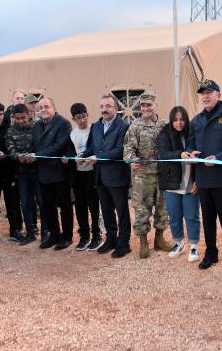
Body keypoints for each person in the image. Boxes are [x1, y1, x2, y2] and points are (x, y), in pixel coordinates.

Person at [182, 79, 222, 274]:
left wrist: (219, 158)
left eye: (209, 92)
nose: (205, 96)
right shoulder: (196, 121)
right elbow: (190, 145)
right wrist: (191, 153)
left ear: (218, 94)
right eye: (203, 93)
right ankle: (211, 253)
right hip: (203, 179)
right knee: (208, 219)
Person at [123, 90, 173, 258]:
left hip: (161, 175)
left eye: (149, 105)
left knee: (162, 208)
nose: (146, 108)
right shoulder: (135, 126)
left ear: (156, 105)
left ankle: (159, 239)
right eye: (143, 105)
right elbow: (127, 150)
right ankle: (144, 242)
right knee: (142, 210)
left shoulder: (165, 125)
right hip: (143, 176)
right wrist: (132, 160)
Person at [82, 95, 131, 257]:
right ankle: (111, 239)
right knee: (107, 210)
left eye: (108, 106)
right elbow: (91, 147)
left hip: (117, 177)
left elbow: (120, 150)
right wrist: (83, 154)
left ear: (116, 109)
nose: (104, 109)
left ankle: (124, 243)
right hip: (100, 177)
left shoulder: (123, 126)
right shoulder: (95, 126)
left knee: (121, 211)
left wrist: (97, 157)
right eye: (102, 106)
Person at [157, 106, 201, 262]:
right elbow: (163, 154)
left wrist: (198, 181)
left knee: (192, 216)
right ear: (171, 120)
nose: (179, 123)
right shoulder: (164, 133)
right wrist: (180, 154)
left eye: (182, 119)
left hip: (191, 181)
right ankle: (178, 243)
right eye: (175, 119)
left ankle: (194, 247)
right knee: (174, 216)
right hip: (171, 182)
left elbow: (199, 152)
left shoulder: (193, 132)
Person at [30, 98, 74, 250]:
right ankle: (54, 235)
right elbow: (33, 144)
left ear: (54, 108)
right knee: (47, 206)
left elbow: (59, 146)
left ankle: (67, 237)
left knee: (64, 205)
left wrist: (37, 155)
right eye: (40, 107)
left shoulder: (63, 123)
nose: (43, 109)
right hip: (43, 172)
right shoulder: (36, 126)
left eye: (46, 106)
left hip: (59, 171)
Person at [5, 103, 45, 245]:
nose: (21, 121)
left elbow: (41, 145)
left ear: (29, 114)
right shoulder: (10, 131)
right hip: (22, 173)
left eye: (23, 117)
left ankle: (45, 232)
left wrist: (35, 155)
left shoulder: (38, 126)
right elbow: (10, 149)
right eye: (18, 118)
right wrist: (19, 157)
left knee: (42, 201)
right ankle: (30, 231)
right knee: (25, 202)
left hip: (38, 171)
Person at [0, 101, 24, 242]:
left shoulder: (9, 128)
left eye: (1, 114)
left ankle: (14, 230)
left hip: (9, 172)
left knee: (12, 203)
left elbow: (14, 147)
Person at [69, 103, 101, 251]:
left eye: (84, 116)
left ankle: (96, 235)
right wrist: (69, 158)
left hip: (91, 172)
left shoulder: (94, 130)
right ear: (73, 119)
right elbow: (70, 152)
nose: (82, 120)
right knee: (80, 206)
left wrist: (84, 156)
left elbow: (96, 147)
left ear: (88, 114)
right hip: (78, 174)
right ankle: (84, 235)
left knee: (93, 205)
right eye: (78, 118)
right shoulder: (73, 134)